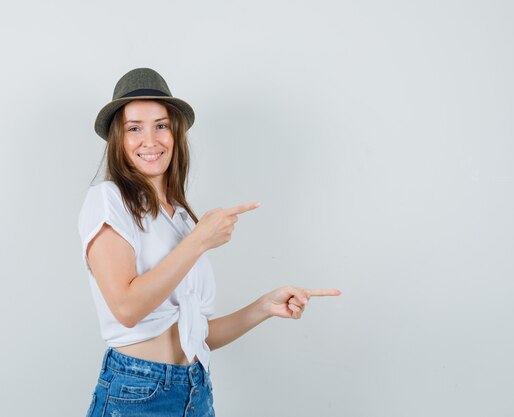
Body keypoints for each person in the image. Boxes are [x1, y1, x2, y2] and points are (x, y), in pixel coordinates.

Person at [78, 67, 341, 416]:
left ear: (175, 132)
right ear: (118, 139)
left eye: (161, 125)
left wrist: (264, 307)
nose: (151, 140)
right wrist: (200, 241)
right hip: (137, 392)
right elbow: (127, 308)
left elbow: (195, 334)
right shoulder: (107, 199)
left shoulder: (179, 217)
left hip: (196, 391)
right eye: (135, 128)